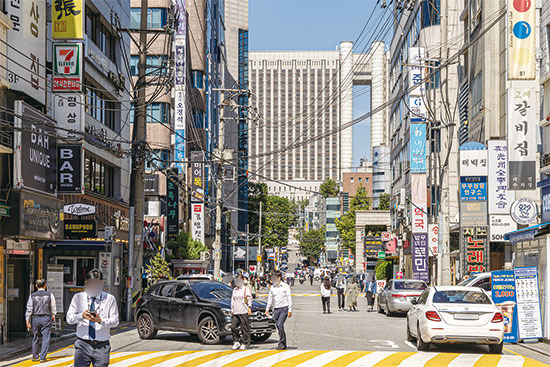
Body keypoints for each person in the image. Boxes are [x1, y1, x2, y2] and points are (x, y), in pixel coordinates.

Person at [67, 269, 119, 367]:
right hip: (83, 344)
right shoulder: (78, 297)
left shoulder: (110, 299)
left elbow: (115, 321)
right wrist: (81, 316)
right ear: (86, 283)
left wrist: (101, 321)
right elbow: (69, 319)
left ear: (102, 283)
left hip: (102, 345)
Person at [25, 279, 56, 363]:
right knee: (46, 338)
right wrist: (53, 316)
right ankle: (42, 357)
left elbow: (29, 309)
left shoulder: (32, 296)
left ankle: (35, 356)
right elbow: (53, 307)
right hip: (46, 318)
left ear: (36, 286)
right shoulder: (50, 295)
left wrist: (27, 320)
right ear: (45, 285)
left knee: (35, 337)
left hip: (35, 318)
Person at [265, 270, 292, 350]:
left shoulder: (285, 286)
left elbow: (289, 298)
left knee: (280, 324)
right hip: (276, 309)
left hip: (284, 308)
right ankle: (283, 343)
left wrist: (290, 310)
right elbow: (270, 298)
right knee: (279, 326)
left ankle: (281, 342)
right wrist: (267, 309)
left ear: (279, 277)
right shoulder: (272, 287)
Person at [231, 274, 252, 350]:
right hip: (236, 310)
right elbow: (233, 300)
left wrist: (249, 307)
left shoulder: (245, 289)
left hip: (243, 310)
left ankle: (245, 342)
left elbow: (249, 299)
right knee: (233, 326)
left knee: (244, 327)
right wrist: (232, 309)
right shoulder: (234, 290)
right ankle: (236, 341)